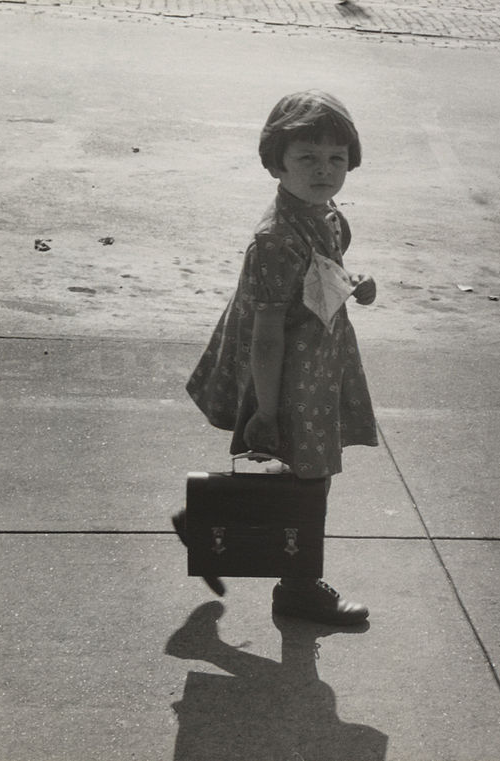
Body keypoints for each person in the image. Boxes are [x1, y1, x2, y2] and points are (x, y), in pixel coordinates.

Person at [176, 90, 379, 626]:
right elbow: (267, 334)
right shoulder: (275, 240)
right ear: (276, 163)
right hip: (288, 373)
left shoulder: (326, 216)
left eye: (337, 158)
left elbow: (324, 271)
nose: (324, 170)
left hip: (316, 363)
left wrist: (354, 282)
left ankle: (209, 519)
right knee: (311, 476)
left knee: (306, 471)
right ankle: (298, 588)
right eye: (307, 158)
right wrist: (265, 411)